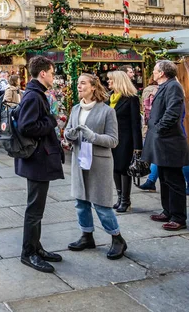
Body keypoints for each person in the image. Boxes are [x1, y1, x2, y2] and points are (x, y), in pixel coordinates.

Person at [64, 73, 127, 260]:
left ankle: (117, 238)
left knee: (102, 204)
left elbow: (114, 140)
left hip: (99, 162)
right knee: (81, 202)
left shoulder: (107, 111)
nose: (79, 86)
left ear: (93, 87)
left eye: (82, 83)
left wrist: (93, 137)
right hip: (79, 161)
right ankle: (87, 236)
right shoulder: (75, 109)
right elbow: (68, 130)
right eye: (78, 84)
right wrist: (68, 137)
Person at [15, 56, 65, 273]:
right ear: (43, 73)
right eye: (52, 72)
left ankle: (36, 246)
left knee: (37, 208)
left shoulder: (36, 94)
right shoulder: (34, 97)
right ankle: (28, 253)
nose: (54, 77)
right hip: (36, 160)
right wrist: (52, 121)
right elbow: (28, 127)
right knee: (34, 209)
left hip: (37, 159)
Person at [142, 60, 189, 230]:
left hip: (170, 142)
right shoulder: (165, 86)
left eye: (155, 70)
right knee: (164, 178)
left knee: (174, 180)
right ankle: (168, 211)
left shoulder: (173, 87)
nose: (153, 73)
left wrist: (159, 129)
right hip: (161, 141)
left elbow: (172, 112)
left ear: (162, 72)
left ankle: (178, 217)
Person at [106, 70, 142, 213]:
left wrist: (138, 146)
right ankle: (120, 197)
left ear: (119, 81)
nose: (108, 82)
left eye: (111, 80)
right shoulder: (109, 98)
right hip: (111, 139)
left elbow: (135, 123)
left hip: (126, 139)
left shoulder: (131, 98)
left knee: (124, 169)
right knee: (114, 168)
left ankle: (126, 200)